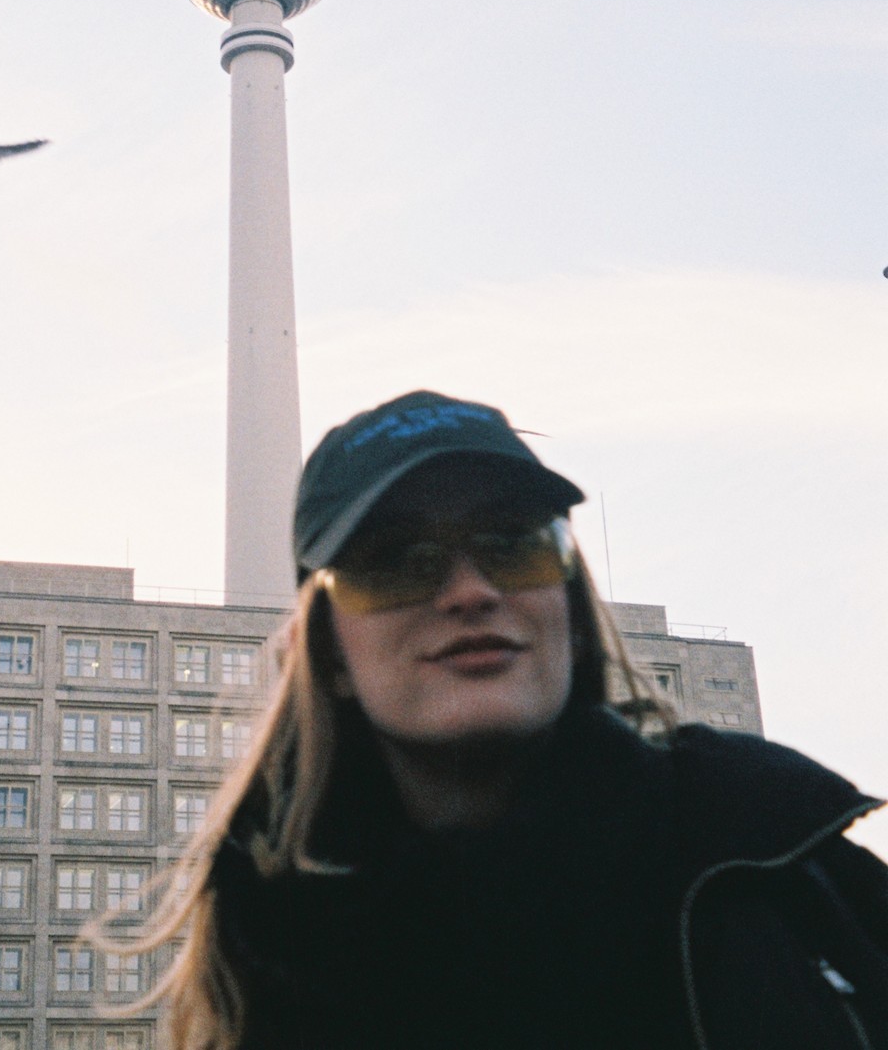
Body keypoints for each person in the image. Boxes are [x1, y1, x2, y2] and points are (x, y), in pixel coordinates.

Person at [124, 389, 888, 1049]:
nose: (469, 590)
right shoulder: (262, 957)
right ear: (328, 652)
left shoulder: (780, 871)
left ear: (571, 609)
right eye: (395, 559)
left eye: (513, 543)